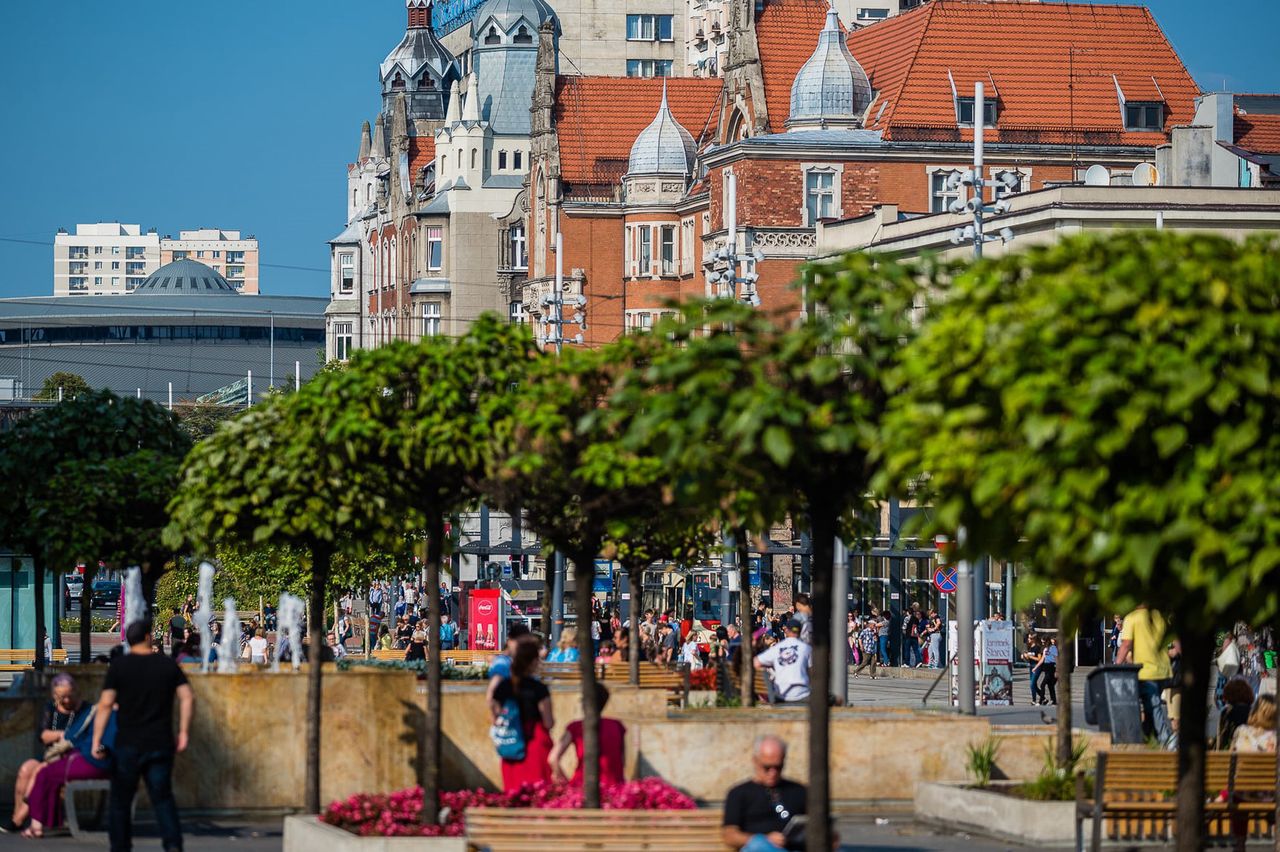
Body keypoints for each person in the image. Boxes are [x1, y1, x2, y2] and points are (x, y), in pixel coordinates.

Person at [92, 618, 194, 852]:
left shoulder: (119, 666)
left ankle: (120, 846)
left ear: (129, 640)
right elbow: (188, 696)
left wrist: (97, 740)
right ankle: (173, 845)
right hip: (160, 742)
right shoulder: (166, 665)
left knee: (121, 802)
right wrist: (184, 732)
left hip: (127, 744)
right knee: (163, 798)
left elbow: (106, 704)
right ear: (148, 637)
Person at [13, 701, 116, 838]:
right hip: (108, 764)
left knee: (44, 773)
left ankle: (35, 826)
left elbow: (80, 738)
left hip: (93, 762)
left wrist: (98, 750)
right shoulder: (125, 713)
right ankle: (33, 818)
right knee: (41, 771)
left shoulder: (102, 711)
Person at [4, 674, 88, 834]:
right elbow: (42, 735)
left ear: (76, 692)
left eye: (70, 695)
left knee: (38, 771)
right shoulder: (50, 708)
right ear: (54, 695)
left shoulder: (84, 710)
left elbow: (81, 737)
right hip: (50, 754)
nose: (67, 700)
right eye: (62, 697)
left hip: (70, 758)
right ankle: (17, 813)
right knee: (25, 769)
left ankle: (19, 818)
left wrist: (58, 735)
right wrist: (62, 734)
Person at [489, 636, 554, 791]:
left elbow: (494, 712)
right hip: (535, 742)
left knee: (514, 790)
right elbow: (548, 723)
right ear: (533, 662)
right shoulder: (539, 688)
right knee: (538, 793)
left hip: (511, 743)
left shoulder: (504, 686)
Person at [722, 735, 807, 851]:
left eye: (778, 767)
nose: (773, 772)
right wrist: (766, 839)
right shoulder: (738, 793)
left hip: (794, 847)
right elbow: (730, 836)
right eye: (767, 767)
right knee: (758, 844)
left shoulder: (799, 791)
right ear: (755, 761)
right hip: (758, 848)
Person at [1115, 604, 1174, 745]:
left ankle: (1167, 739)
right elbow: (1174, 639)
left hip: (1145, 670)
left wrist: (1116, 665)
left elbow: (1126, 644)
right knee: (1149, 707)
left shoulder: (1132, 618)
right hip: (1164, 669)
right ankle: (1146, 740)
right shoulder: (1160, 616)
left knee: (1153, 706)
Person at [550, 684, 626, 787]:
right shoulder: (617, 726)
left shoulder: (576, 727)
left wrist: (564, 782)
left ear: (585, 703)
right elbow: (622, 760)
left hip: (583, 787)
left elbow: (553, 758)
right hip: (615, 787)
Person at [754, 620, 811, 705]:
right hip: (803, 694)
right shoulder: (806, 648)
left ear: (786, 630)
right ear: (800, 631)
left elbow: (756, 662)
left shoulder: (777, 648)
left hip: (781, 694)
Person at [486, 623, 532, 702]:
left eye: (525, 645)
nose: (522, 648)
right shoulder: (502, 663)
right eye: (520, 643)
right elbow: (492, 694)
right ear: (510, 641)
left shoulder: (519, 661)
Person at [1216, 678, 1255, 749]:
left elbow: (1221, 736)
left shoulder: (1227, 711)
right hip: (1250, 749)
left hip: (1231, 750)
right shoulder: (1253, 711)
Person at [1035, 637, 1059, 705]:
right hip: (1046, 667)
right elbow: (1042, 659)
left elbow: (1056, 658)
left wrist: (1057, 670)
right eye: (1042, 642)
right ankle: (1054, 700)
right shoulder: (1045, 649)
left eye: (1044, 642)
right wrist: (1036, 667)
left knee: (1042, 685)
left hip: (1051, 667)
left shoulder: (1053, 648)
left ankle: (1040, 701)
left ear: (1047, 641)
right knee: (1050, 685)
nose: (1042, 644)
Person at [902, 603, 922, 668]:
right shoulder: (916, 619)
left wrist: (904, 633)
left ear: (908, 612)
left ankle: (907, 663)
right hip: (915, 636)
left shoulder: (906, 618)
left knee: (907, 649)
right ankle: (919, 661)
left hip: (908, 636)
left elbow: (904, 627)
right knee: (916, 649)